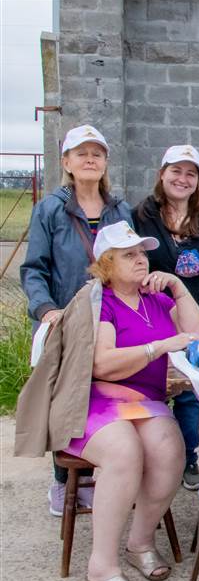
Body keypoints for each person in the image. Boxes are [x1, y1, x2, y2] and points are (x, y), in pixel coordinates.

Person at [74, 221, 199, 581]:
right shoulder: (101, 302)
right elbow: (103, 364)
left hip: (146, 403)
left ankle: (140, 541)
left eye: (142, 253)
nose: (140, 259)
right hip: (99, 401)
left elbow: (198, 333)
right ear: (106, 263)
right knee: (124, 452)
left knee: (170, 452)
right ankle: (101, 569)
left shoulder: (157, 299)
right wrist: (160, 346)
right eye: (129, 254)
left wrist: (180, 288)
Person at [20, 124, 134, 516]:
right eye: (81, 153)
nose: (90, 159)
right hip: (66, 321)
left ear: (105, 163)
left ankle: (106, 472)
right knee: (66, 401)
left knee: (108, 398)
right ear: (66, 162)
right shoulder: (50, 209)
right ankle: (63, 481)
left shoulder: (120, 210)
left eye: (97, 153)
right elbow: (34, 269)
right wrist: (45, 310)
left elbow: (129, 260)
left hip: (111, 321)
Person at [133, 145, 199, 491]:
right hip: (151, 319)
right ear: (162, 174)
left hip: (195, 317)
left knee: (189, 392)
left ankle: (188, 459)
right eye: (176, 171)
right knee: (151, 387)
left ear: (197, 180)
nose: (182, 179)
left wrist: (193, 294)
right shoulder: (141, 215)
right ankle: (149, 459)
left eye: (190, 173)